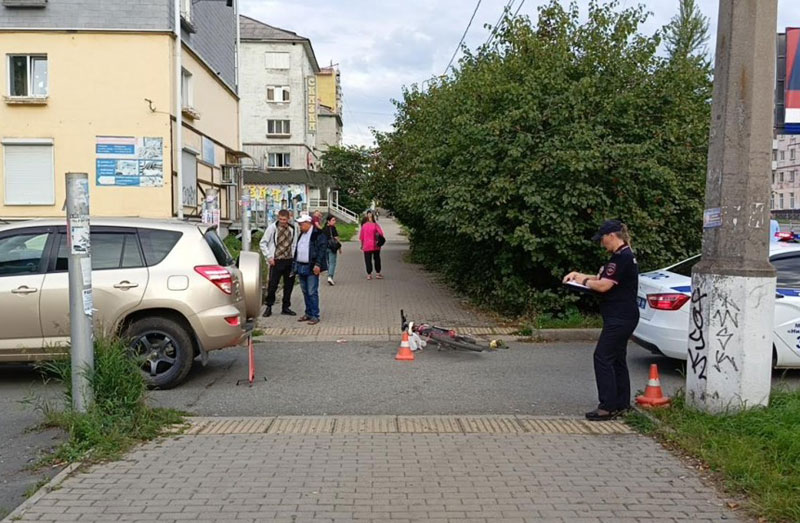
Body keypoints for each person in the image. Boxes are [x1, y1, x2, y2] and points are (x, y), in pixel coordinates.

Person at [563, 219, 639, 421]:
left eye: (602, 239)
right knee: (616, 359)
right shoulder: (622, 256)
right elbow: (602, 278)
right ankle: (622, 403)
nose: (601, 243)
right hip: (623, 316)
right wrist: (579, 276)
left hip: (620, 317)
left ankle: (606, 407)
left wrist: (584, 282)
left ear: (612, 236)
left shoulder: (621, 258)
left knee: (602, 357)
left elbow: (604, 286)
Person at [259, 209, 298, 318]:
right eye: (280, 219)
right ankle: (269, 306)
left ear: (288, 219)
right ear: (278, 218)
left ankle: (286, 307)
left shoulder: (293, 229)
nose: (282, 221)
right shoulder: (272, 228)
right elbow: (263, 243)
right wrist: (269, 257)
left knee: (289, 285)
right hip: (276, 260)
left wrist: (294, 258)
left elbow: (294, 244)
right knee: (272, 285)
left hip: (289, 260)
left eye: (284, 219)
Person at [293, 215, 328, 325]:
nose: (300, 226)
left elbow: (321, 250)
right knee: (305, 291)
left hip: (311, 266)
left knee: (312, 291)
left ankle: (315, 315)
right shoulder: (302, 234)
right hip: (301, 265)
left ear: (308, 223)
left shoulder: (318, 234)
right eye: (299, 224)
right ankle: (308, 312)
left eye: (302, 224)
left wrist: (318, 264)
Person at [359, 210, 385, 280]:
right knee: (377, 259)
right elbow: (381, 234)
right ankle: (378, 273)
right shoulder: (375, 225)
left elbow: (361, 237)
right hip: (375, 245)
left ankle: (369, 274)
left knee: (368, 260)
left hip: (366, 246)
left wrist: (362, 245)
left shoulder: (364, 226)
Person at [322, 214, 341, 286]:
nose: (334, 221)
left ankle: (329, 274)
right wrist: (339, 248)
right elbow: (336, 238)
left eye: (335, 220)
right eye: (333, 220)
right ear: (328, 221)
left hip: (325, 248)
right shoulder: (333, 228)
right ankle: (330, 277)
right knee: (332, 263)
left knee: (328, 262)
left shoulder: (323, 228)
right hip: (332, 248)